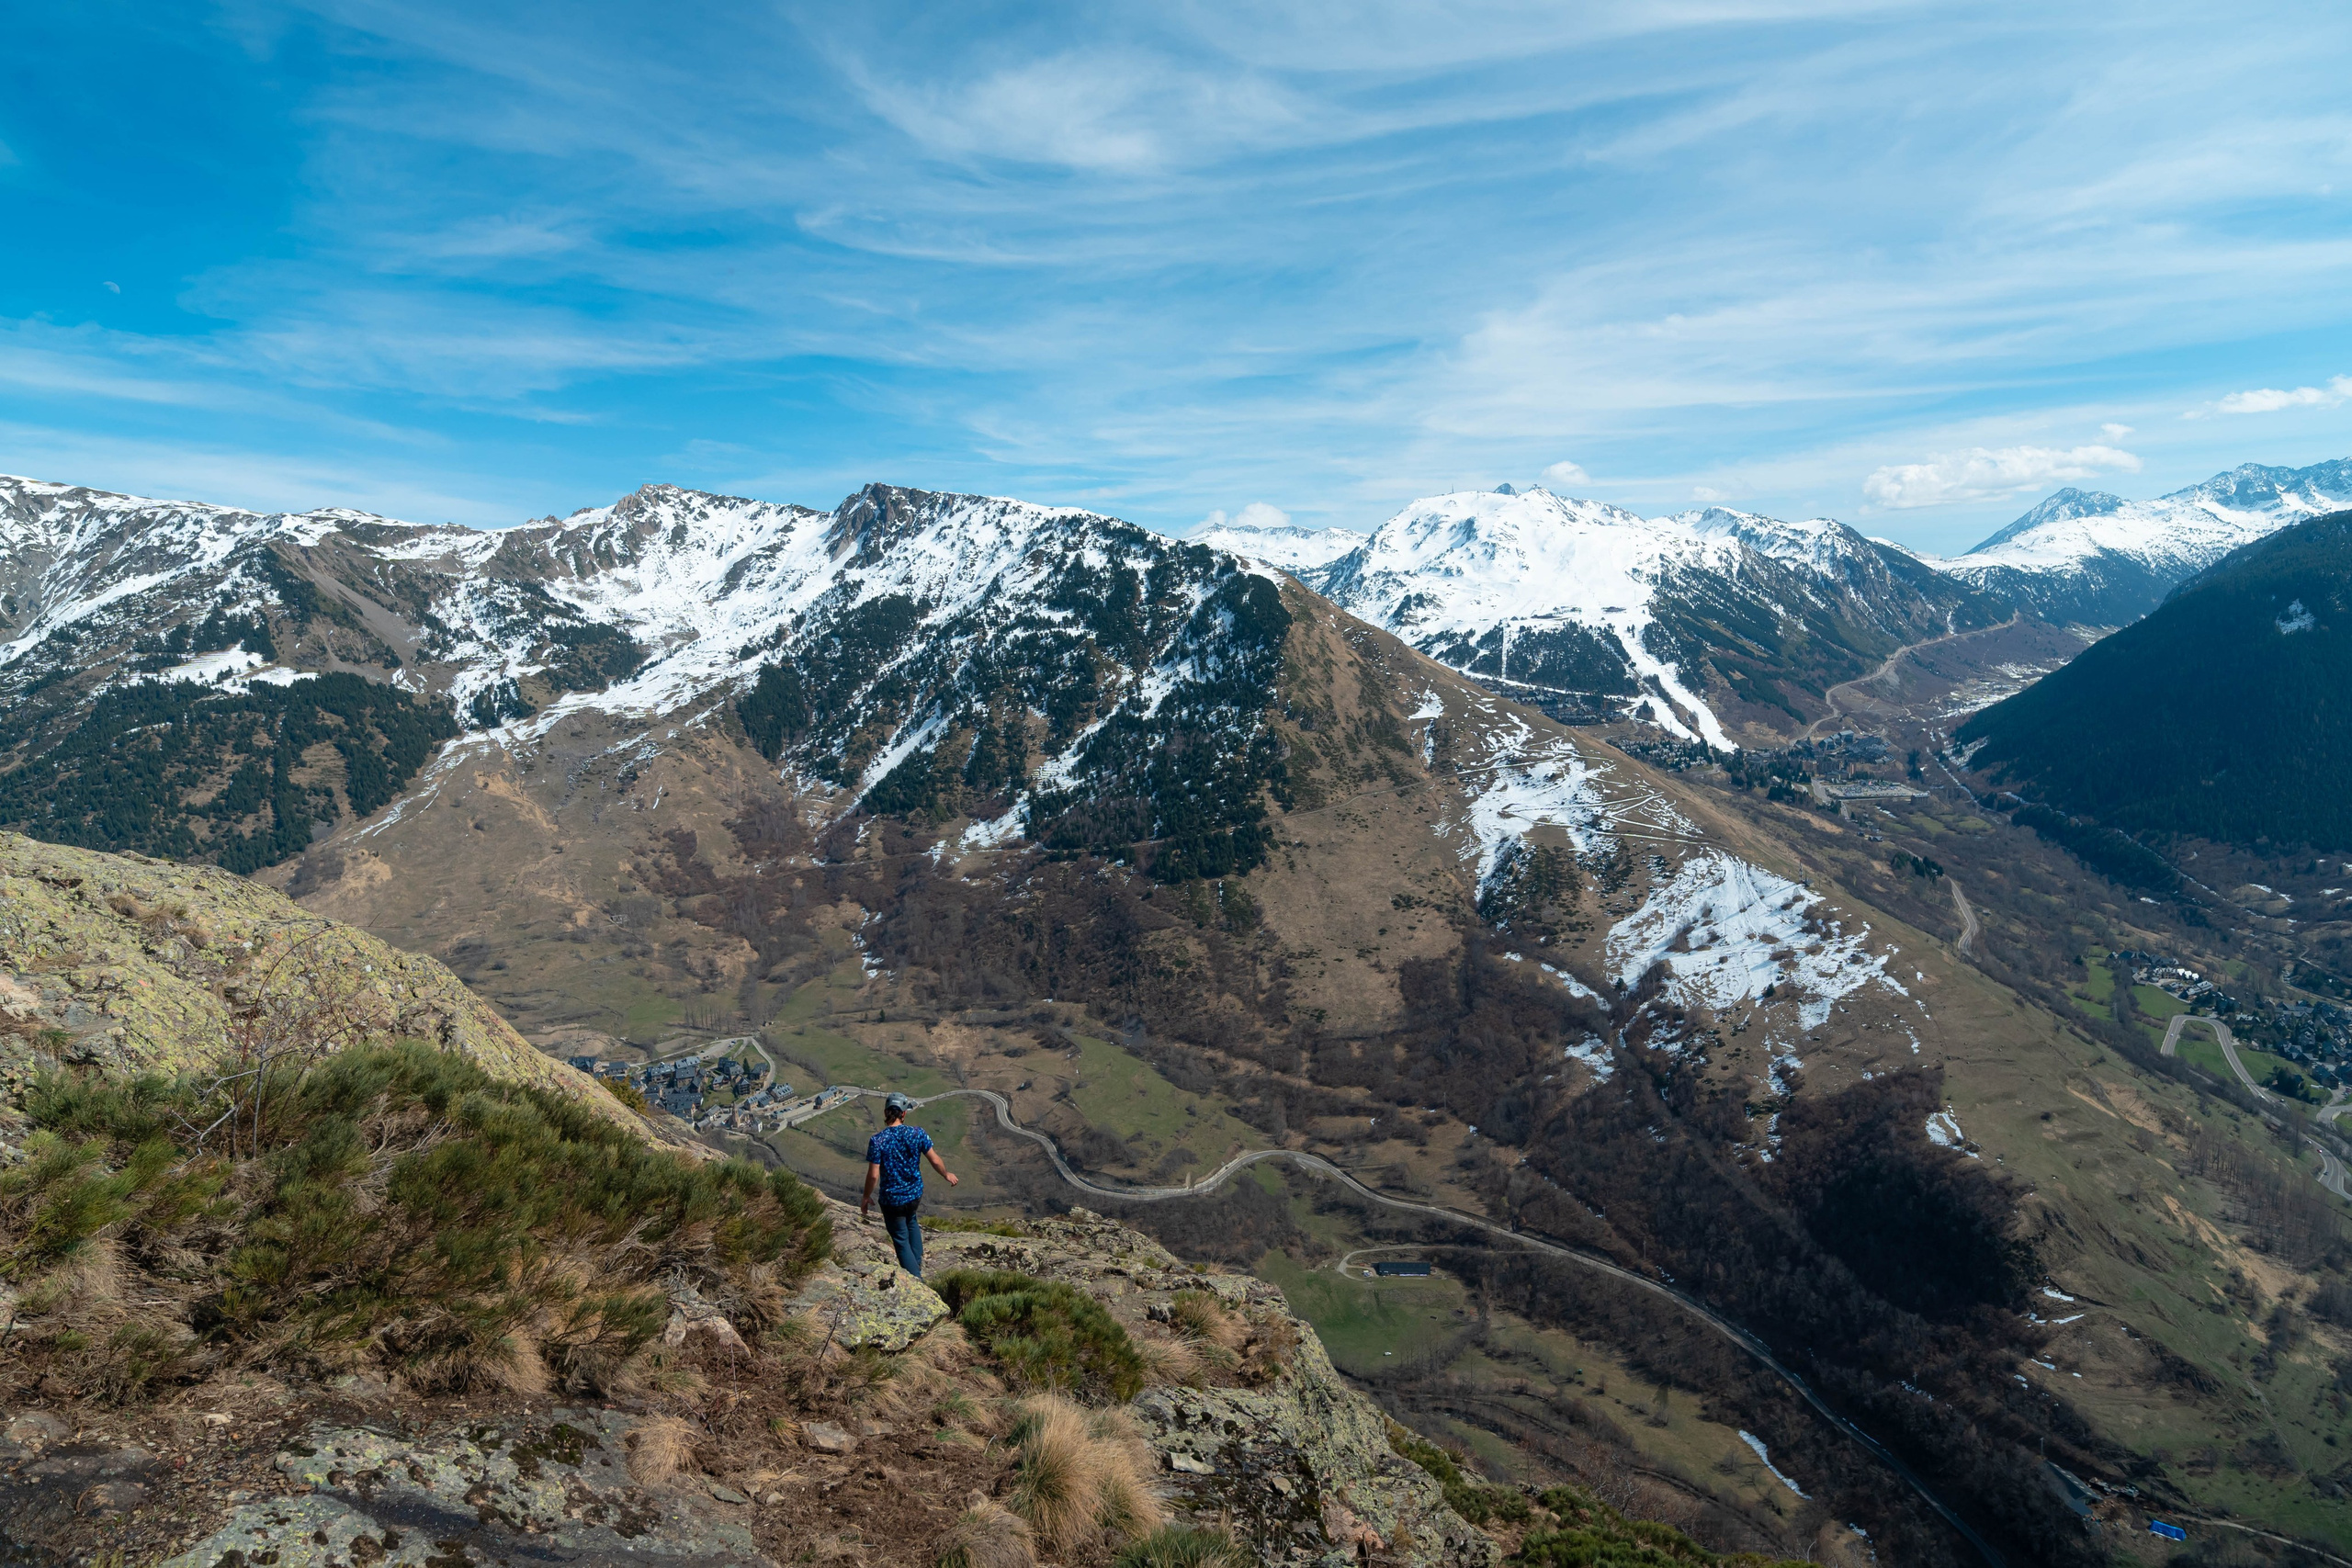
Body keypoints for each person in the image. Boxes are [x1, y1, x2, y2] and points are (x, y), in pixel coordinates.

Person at [861, 1090, 957, 1277]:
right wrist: (946, 1174)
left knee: (900, 1239)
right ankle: (917, 1263)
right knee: (911, 1220)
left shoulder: (878, 1140)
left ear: (885, 1113)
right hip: (914, 1194)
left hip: (892, 1200)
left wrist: (866, 1196)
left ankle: (916, 1280)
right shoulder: (917, 1133)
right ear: (904, 1114)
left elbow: (873, 1175)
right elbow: (935, 1160)